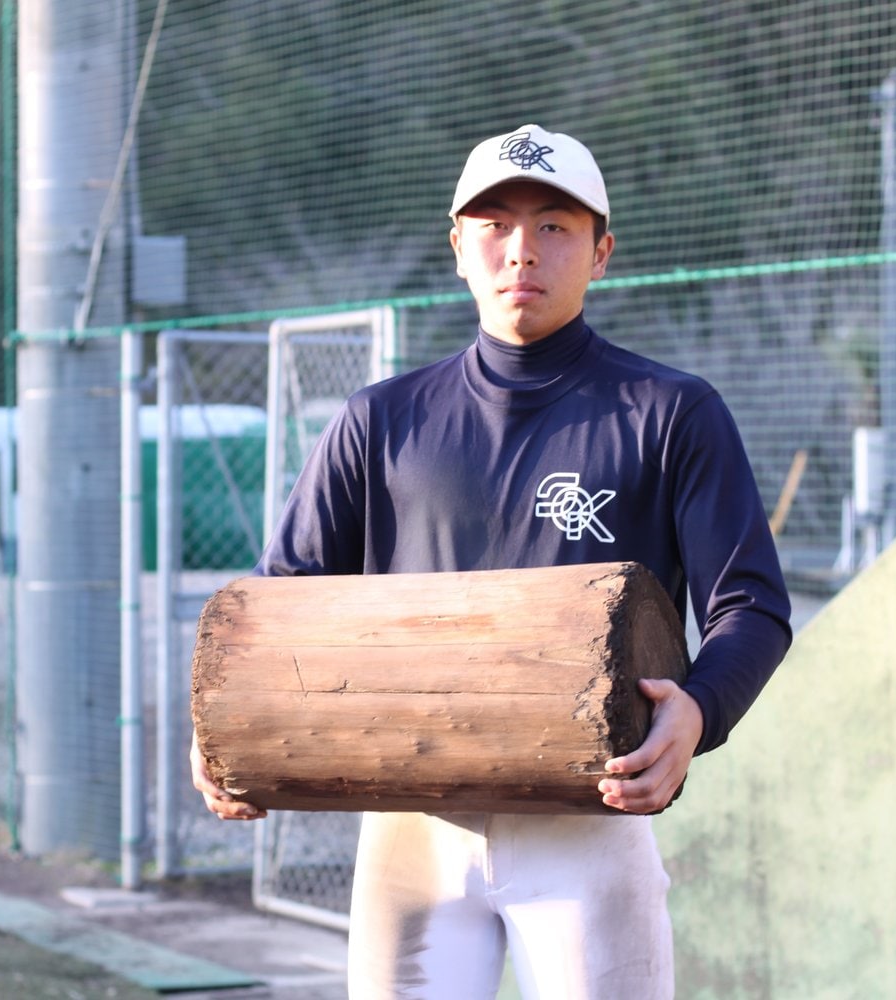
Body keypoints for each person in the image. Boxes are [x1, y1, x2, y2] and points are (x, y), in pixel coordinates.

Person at [192, 123, 793, 999]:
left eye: (554, 225)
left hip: (591, 822)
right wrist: (226, 733)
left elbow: (752, 606)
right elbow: (282, 601)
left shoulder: (670, 412)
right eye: (496, 224)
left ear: (602, 253)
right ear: (458, 248)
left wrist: (698, 711)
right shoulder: (380, 421)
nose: (522, 249)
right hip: (412, 826)